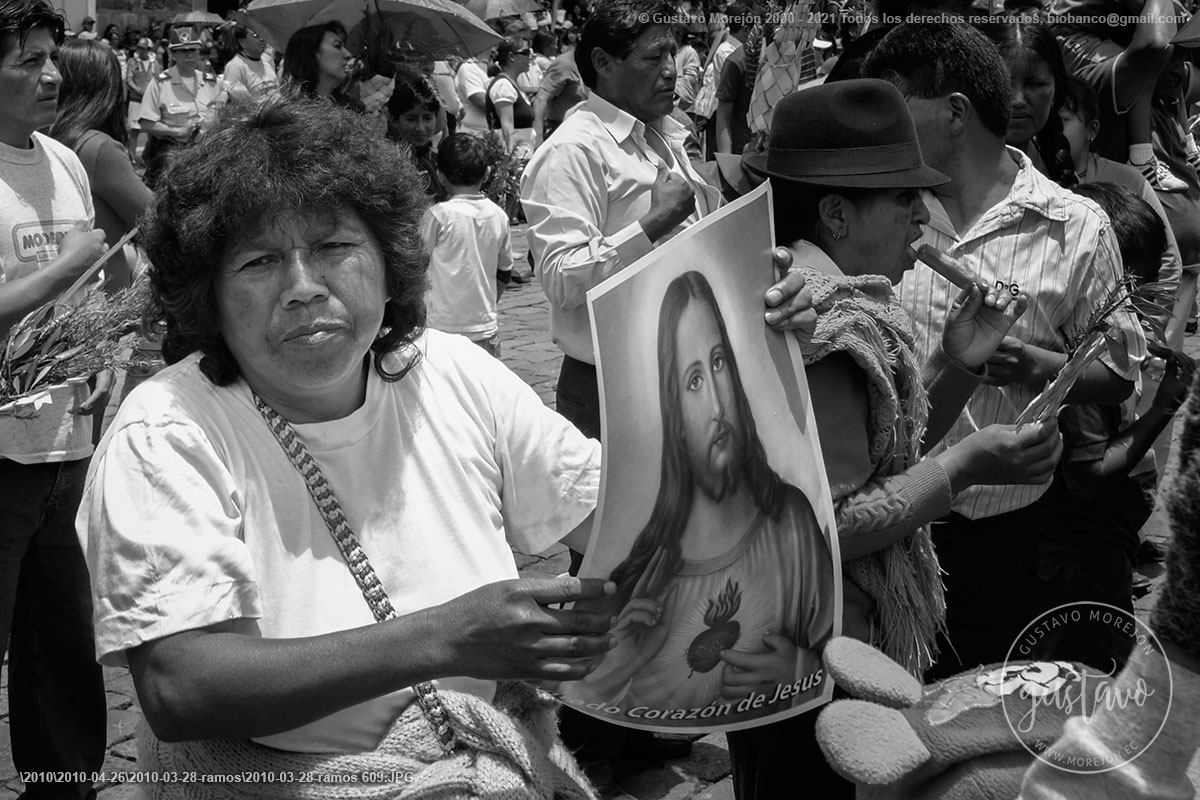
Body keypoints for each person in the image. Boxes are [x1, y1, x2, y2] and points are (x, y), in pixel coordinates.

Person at [78, 92, 610, 781]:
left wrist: (758, 348)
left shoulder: (449, 372)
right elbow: (184, 687)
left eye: (334, 247)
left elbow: (621, 520)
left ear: (390, 263)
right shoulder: (166, 434)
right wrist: (449, 638)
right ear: (207, 293)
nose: (303, 286)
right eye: (258, 262)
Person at [732, 77, 1061, 800]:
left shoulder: (817, 306)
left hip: (795, 647)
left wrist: (959, 362)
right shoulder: (823, 331)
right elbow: (829, 525)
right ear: (837, 214)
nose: (923, 215)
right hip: (820, 660)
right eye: (904, 198)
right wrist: (967, 465)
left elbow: (888, 453)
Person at [520, 0, 814, 780]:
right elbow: (558, 279)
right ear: (604, 63)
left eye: (671, 54)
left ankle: (654, 713)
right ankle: (595, 740)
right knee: (616, 555)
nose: (669, 71)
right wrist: (645, 227)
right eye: (651, 57)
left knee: (677, 551)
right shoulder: (570, 151)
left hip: (682, 377)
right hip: (609, 385)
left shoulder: (668, 137)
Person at [862, 21, 1147, 680]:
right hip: (882, 520)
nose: (880, 124)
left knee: (977, 718)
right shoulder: (875, 212)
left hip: (1006, 529)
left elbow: (1121, 369)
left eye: (895, 104)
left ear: (954, 112)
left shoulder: (1074, 227)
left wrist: (1040, 367)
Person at [574, 270, 836, 718]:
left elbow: (838, 651)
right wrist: (622, 662)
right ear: (672, 412)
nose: (717, 406)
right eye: (693, 381)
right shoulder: (647, 576)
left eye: (719, 363)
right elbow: (579, 696)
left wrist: (804, 667)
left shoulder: (791, 522)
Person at [0, 0, 109, 793]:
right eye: (25, 60)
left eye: (49, 55)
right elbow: (71, 268)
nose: (48, 75)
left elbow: (91, 295)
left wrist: (102, 362)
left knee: (64, 647)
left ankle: (65, 781)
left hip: (68, 445)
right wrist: (62, 269)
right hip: (2, 449)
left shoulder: (62, 161)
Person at [1032, 181, 1194, 672]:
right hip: (1080, 557)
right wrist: (1164, 408)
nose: (1134, 303)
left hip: (1089, 550)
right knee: (1085, 684)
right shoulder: (1084, 354)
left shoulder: (1096, 339)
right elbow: (1091, 476)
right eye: (1124, 287)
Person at [1059, 75, 1182, 294]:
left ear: (1092, 130)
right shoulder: (1030, 181)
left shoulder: (1128, 181)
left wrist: (1149, 326)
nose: (1052, 131)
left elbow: (1168, 263)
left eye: (1062, 121)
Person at [1048, 0, 1188, 191]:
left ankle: (1189, 147)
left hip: (1100, 30)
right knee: (1146, 59)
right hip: (1071, 36)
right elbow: (1155, 43)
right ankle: (1141, 159)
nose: (1179, 70)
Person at [50, 38, 153, 294]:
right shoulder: (97, 147)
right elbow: (155, 218)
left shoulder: (49, 139)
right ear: (107, 88)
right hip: (105, 299)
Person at [421, 133, 512, 356]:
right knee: (484, 388)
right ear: (487, 173)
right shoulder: (499, 216)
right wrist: (490, 300)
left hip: (441, 329)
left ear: (440, 176)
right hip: (484, 328)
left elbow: (417, 263)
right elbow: (505, 270)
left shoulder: (438, 216)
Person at [977, 19, 1079, 189]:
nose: (1017, 100)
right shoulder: (945, 170)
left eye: (1034, 84)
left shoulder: (1060, 172)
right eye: (1003, 83)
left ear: (1056, 90)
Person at [138, 25, 227, 187]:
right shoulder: (160, 83)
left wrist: (226, 93)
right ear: (173, 54)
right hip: (173, 156)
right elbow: (146, 123)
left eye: (193, 50)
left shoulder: (211, 82)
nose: (189, 56)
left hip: (208, 156)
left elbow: (232, 98)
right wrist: (178, 131)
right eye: (183, 51)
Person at [386, 70, 444, 201]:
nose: (420, 128)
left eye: (427, 118)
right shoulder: (388, 165)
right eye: (411, 119)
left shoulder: (437, 162)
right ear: (395, 120)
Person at [531, 33, 587, 147]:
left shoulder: (590, 64)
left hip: (583, 133)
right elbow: (540, 100)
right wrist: (538, 138)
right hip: (560, 135)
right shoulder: (564, 65)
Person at [279, 21, 354, 106]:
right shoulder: (293, 114)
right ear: (310, 53)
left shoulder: (350, 107)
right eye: (337, 46)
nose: (348, 55)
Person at [487, 38, 537, 155]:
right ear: (512, 57)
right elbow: (507, 127)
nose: (530, 57)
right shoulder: (503, 86)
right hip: (515, 158)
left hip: (524, 154)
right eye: (525, 53)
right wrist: (511, 161)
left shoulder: (512, 85)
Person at [222, 24, 276, 103]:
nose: (262, 39)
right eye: (256, 35)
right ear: (242, 42)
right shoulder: (235, 66)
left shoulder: (266, 59)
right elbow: (239, 103)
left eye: (263, 34)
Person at [125, 36, 158, 152]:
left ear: (149, 49)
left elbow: (157, 80)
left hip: (150, 102)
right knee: (134, 131)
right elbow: (129, 80)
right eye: (138, 47)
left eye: (143, 48)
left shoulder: (155, 63)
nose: (140, 50)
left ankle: (147, 158)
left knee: (152, 132)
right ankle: (132, 158)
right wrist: (140, 91)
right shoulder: (132, 62)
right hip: (136, 101)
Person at [455, 53, 491, 135]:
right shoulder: (468, 68)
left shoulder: (486, 67)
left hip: (488, 134)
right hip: (474, 135)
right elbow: (482, 102)